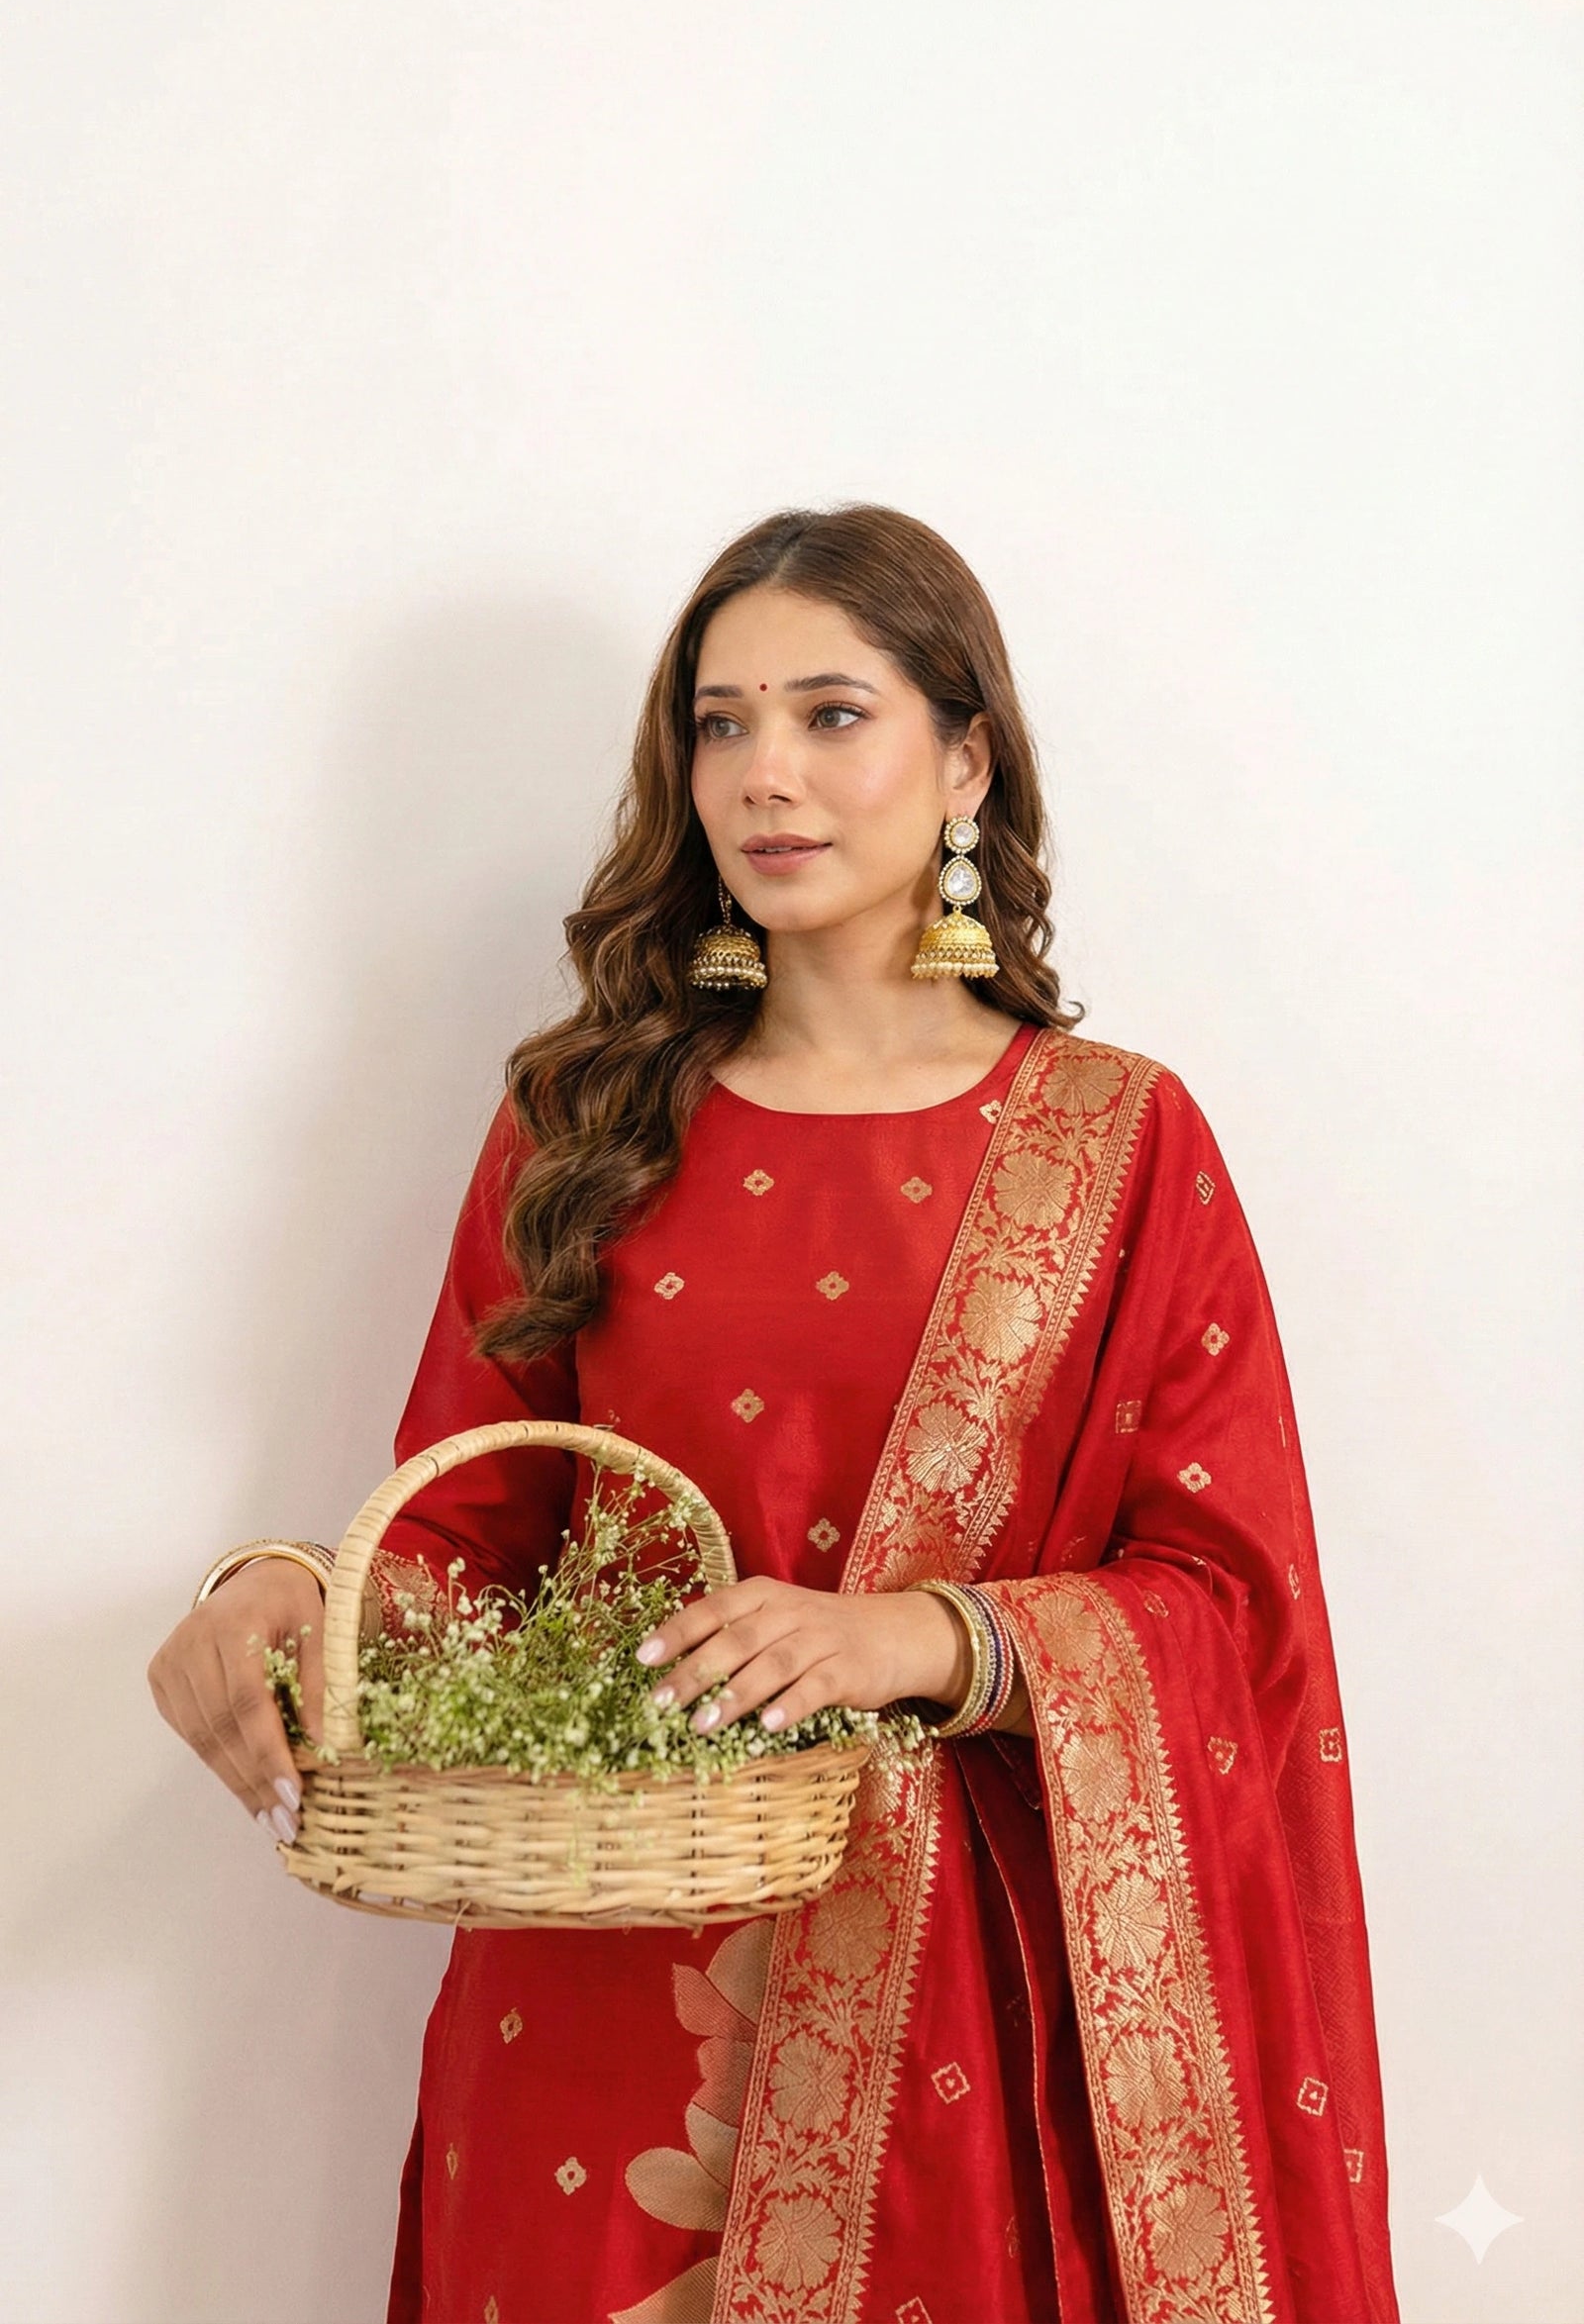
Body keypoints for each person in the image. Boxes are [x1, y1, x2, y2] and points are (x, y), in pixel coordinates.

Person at [149, 503, 1402, 2324]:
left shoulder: (1119, 1144)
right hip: (598, 1961)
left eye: (831, 714)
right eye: (720, 723)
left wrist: (917, 1634)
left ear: (967, 759)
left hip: (966, 2009)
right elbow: (462, 1535)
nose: (765, 773)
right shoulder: (584, 1125)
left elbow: (1235, 1603)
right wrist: (284, 1590)